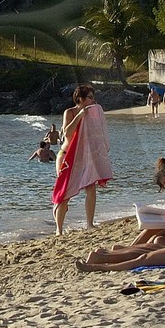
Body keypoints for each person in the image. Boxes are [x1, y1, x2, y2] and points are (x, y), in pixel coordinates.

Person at [52, 85, 113, 234]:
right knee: (65, 192)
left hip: (85, 157)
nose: (94, 100)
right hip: (67, 156)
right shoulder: (70, 112)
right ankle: (59, 230)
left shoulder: (93, 114)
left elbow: (97, 134)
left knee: (91, 188)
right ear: (81, 99)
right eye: (90, 97)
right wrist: (79, 115)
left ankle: (89, 224)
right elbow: (67, 133)